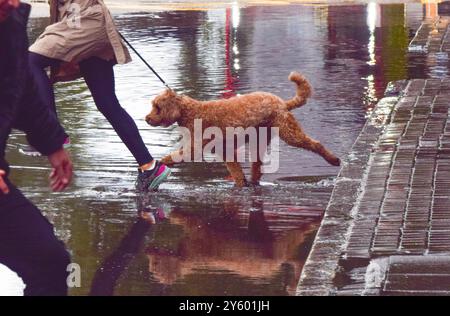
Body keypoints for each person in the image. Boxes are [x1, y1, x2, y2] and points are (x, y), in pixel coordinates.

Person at [28, 0, 170, 191]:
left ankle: (53, 133)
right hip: (82, 23)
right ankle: (149, 166)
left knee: (30, 62)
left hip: (83, 22)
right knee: (107, 103)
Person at [0, 0, 73, 295]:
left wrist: (51, 142)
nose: (12, 2)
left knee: (50, 262)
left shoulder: (9, 22)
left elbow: (21, 85)